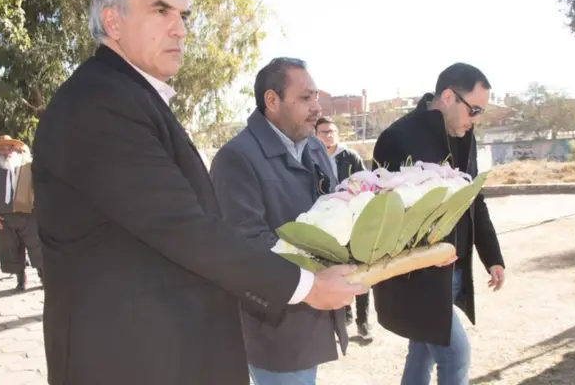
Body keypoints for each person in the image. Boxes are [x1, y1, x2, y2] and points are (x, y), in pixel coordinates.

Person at [31, 0, 365, 385]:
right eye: (160, 10)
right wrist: (309, 287)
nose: (180, 29)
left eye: (183, 15)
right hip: (130, 360)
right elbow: (183, 227)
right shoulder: (100, 103)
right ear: (113, 21)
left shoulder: (128, 96)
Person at [211, 59, 352, 385]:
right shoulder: (236, 158)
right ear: (272, 101)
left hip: (317, 314)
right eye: (305, 98)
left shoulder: (314, 148)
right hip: (275, 327)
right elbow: (246, 247)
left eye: (316, 96)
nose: (316, 107)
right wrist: (312, 283)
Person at [372, 63, 506, 385]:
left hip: (455, 272)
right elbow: (383, 216)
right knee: (455, 354)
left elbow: (474, 199)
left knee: (422, 353)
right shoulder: (397, 138)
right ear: (448, 97)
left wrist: (493, 257)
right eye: (474, 110)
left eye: (480, 113)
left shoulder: (464, 134)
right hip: (419, 279)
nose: (476, 120)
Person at [314, 116, 373, 340]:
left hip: (354, 221)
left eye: (331, 132)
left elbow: (366, 184)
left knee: (361, 270)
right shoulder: (312, 158)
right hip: (329, 223)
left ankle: (363, 321)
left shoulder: (350, 157)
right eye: (323, 132)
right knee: (338, 269)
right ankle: (345, 316)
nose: (328, 136)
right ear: (316, 136)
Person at [0, 135, 43, 290]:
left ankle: (43, 277)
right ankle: (21, 280)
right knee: (11, 249)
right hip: (3, 218)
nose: (6, 152)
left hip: (29, 215)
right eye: (2, 148)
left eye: (9, 148)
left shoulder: (26, 165)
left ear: (14, 149)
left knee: (37, 247)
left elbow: (40, 186)